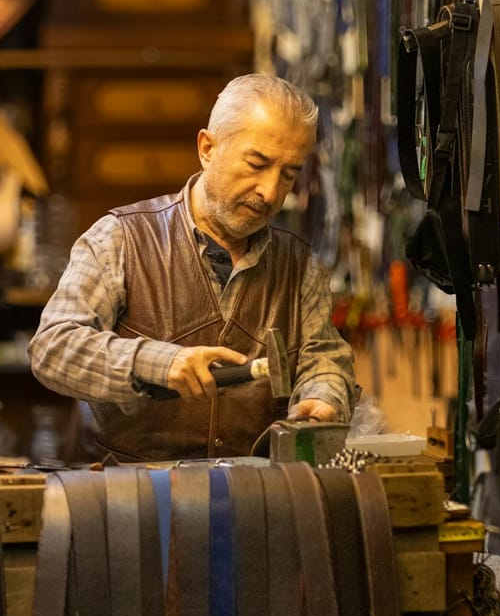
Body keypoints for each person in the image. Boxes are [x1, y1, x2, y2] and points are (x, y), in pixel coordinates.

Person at [28, 73, 357, 461]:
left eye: (288, 174)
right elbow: (52, 348)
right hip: (126, 497)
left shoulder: (301, 267)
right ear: (207, 148)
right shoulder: (119, 240)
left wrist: (324, 397)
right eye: (256, 163)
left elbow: (324, 359)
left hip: (251, 499)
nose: (270, 192)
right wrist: (157, 362)